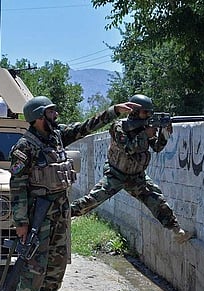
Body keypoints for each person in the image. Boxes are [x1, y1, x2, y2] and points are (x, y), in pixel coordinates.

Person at [8, 95, 139, 291]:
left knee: (58, 260)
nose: (55, 115)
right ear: (38, 118)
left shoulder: (57, 136)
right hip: (39, 213)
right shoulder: (25, 147)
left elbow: (85, 127)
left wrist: (113, 111)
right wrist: (21, 223)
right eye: (50, 112)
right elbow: (17, 187)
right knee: (35, 262)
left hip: (59, 210)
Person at [70, 94, 194, 244]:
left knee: (157, 200)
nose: (148, 115)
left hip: (136, 177)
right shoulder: (119, 127)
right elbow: (128, 148)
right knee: (93, 200)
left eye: (149, 113)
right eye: (145, 112)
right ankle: (64, 214)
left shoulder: (145, 127)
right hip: (115, 174)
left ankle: (177, 231)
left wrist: (164, 133)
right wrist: (144, 134)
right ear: (134, 112)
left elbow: (157, 147)